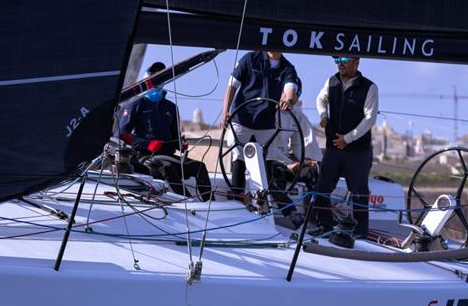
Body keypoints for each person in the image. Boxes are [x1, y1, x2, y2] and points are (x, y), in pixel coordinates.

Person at [219, 50, 303, 226]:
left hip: (266, 123)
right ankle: (237, 208)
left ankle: (277, 212)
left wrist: (288, 101)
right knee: (239, 161)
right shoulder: (250, 59)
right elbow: (231, 85)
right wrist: (225, 111)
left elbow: (290, 88)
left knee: (266, 169)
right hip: (241, 119)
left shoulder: (288, 68)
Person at [119, 62, 212, 201]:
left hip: (167, 155)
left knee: (199, 167)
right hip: (146, 157)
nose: (158, 79)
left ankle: (210, 203)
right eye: (154, 75)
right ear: (147, 77)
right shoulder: (135, 104)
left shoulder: (171, 107)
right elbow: (122, 134)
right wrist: (147, 145)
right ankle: (188, 202)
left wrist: (180, 145)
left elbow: (175, 137)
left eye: (161, 76)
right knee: (167, 168)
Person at [312, 55, 378, 238]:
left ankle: (360, 233)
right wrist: (323, 115)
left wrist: (347, 139)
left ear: (356, 62)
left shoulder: (369, 87)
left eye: (343, 59)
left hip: (358, 151)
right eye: (336, 60)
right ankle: (325, 226)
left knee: (359, 193)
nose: (339, 63)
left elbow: (370, 119)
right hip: (333, 147)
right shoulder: (331, 81)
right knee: (322, 188)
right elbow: (320, 99)